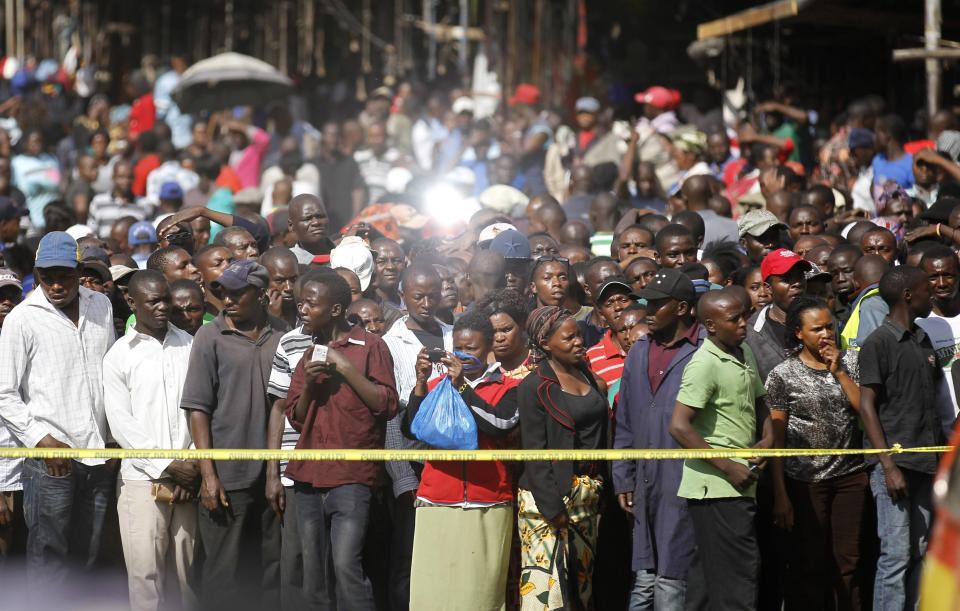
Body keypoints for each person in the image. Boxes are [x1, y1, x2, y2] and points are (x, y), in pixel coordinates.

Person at [0, 232, 115, 596]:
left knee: (89, 555)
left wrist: (112, 437)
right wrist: (41, 440)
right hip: (50, 460)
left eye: (64, 275)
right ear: (36, 273)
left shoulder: (101, 305)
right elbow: (4, 393)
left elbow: (110, 373)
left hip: (98, 454)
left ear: (79, 271)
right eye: (46, 276)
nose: (55, 284)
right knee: (49, 556)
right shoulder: (23, 319)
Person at [286, 270, 399, 610]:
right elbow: (297, 416)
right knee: (314, 573)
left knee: (346, 566)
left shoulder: (371, 347)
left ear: (335, 309)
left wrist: (345, 369)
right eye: (300, 302)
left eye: (311, 303)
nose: (303, 309)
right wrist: (308, 385)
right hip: (308, 477)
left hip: (352, 477)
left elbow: (387, 404)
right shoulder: (310, 353)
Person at [180, 259, 287, 609]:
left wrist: (276, 472)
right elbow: (198, 409)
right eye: (224, 292)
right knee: (223, 574)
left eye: (238, 293)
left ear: (262, 295)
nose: (228, 300)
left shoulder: (284, 333)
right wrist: (209, 476)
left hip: (275, 476)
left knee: (270, 571)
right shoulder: (209, 336)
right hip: (227, 477)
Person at [402, 311, 520, 610]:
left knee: (478, 595)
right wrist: (420, 382)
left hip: (488, 501)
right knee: (433, 594)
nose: (463, 355)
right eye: (458, 347)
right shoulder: (436, 385)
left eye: (472, 348)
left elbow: (500, 425)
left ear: (490, 345)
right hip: (437, 499)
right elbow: (411, 428)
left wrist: (463, 386)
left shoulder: (509, 388)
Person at [669, 288, 773, 610]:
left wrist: (767, 442)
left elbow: (761, 403)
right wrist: (728, 466)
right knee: (738, 578)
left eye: (744, 315)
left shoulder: (744, 352)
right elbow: (679, 426)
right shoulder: (704, 365)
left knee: (706, 581)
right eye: (734, 319)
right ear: (711, 326)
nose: (744, 323)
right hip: (717, 488)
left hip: (740, 483)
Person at [103, 270, 199, 611]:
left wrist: (191, 464)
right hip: (142, 481)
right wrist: (169, 465)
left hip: (191, 478)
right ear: (131, 302)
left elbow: (200, 410)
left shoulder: (189, 345)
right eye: (153, 301)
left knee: (189, 576)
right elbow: (121, 424)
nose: (162, 308)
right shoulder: (119, 355)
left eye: (166, 300)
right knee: (146, 580)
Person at [765, 297, 867, 611]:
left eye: (829, 327)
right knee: (809, 562)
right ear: (799, 333)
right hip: (805, 482)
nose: (826, 334)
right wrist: (781, 495)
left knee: (847, 562)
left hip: (850, 477)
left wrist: (839, 372)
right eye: (816, 329)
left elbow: (865, 409)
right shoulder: (782, 375)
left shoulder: (850, 362)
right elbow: (777, 439)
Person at [615, 268, 703, 610]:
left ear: (681, 308)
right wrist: (623, 476)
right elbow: (626, 420)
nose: (648, 311)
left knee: (672, 578)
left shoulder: (704, 349)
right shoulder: (639, 350)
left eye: (657, 304)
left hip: (686, 480)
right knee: (644, 578)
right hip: (644, 481)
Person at [858, 266, 944, 611]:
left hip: (925, 462)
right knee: (895, 556)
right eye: (926, 289)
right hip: (894, 465)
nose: (933, 294)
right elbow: (867, 406)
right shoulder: (879, 342)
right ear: (908, 295)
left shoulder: (922, 339)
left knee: (922, 551)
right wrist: (887, 464)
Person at [516, 306, 607, 609]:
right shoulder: (533, 387)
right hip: (547, 499)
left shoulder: (591, 380)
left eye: (579, 336)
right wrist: (553, 507)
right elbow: (535, 450)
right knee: (546, 591)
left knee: (580, 587)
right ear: (545, 344)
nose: (579, 342)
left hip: (586, 498)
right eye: (569, 338)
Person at [381, 264, 453, 611]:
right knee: (407, 556)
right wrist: (403, 479)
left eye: (433, 295)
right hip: (413, 465)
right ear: (402, 296)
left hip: (453, 464)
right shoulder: (389, 344)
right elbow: (390, 418)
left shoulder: (454, 335)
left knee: (446, 558)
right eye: (418, 297)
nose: (426, 303)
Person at [747, 248, 810, 381]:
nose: (797, 284)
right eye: (786, 279)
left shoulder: (824, 321)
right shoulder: (752, 333)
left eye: (800, 277)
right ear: (768, 288)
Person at [916, 246, 960, 435]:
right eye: (933, 277)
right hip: (944, 438)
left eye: (948, 275)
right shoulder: (918, 326)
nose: (941, 283)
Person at [0, 268, 23, 559]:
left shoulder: (23, 339)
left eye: (12, 297)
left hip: (28, 473)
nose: (6, 302)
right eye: (0, 297)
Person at [477, 288, 533, 380]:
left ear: (522, 325)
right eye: (492, 331)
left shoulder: (538, 361)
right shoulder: (479, 365)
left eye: (506, 330)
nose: (499, 338)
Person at [88, 160, 153, 238]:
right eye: (121, 177)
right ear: (113, 177)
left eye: (129, 177)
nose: (126, 181)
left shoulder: (143, 205)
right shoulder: (98, 202)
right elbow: (92, 231)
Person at [287, 194, 334, 265]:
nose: (316, 222)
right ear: (291, 225)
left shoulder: (347, 254)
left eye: (320, 216)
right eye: (307, 219)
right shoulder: (289, 263)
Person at [261, 246, 301, 328]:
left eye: (294, 279)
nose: (289, 287)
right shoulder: (254, 315)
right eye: (279, 281)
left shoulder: (308, 310)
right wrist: (272, 319)